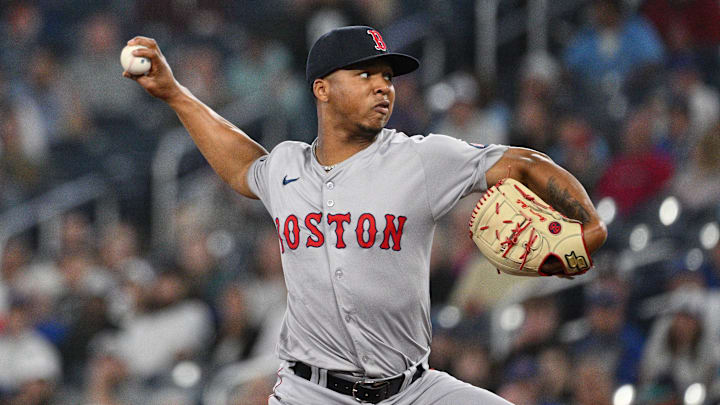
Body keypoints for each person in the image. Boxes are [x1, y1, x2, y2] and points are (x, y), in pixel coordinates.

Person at [124, 25, 607, 405]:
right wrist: (175, 94)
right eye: (365, 75)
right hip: (308, 393)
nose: (383, 87)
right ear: (322, 89)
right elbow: (243, 165)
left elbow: (523, 163)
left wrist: (589, 221)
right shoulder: (287, 166)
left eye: (387, 77)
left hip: (414, 391)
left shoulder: (421, 158)